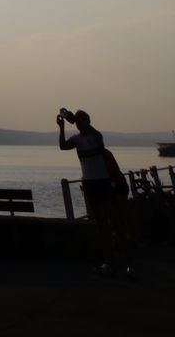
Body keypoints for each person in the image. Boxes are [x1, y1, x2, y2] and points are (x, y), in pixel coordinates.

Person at [57, 107, 133, 279]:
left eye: (82, 120)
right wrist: (62, 127)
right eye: (77, 121)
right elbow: (62, 146)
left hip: (104, 182)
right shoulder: (76, 139)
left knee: (116, 222)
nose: (79, 123)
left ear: (89, 121)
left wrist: (80, 120)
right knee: (101, 225)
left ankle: (128, 263)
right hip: (90, 183)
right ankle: (108, 262)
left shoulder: (96, 137)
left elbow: (97, 137)